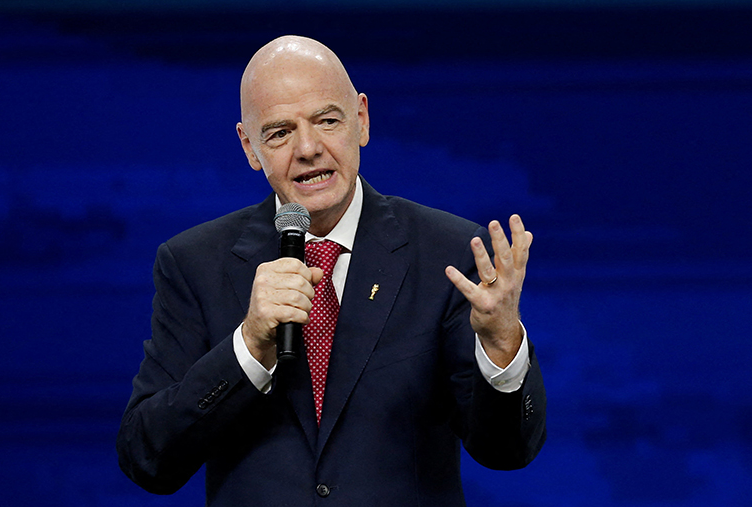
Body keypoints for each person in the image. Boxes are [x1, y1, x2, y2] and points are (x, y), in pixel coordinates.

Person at [117, 35, 546, 506]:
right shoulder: (194, 263)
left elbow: (506, 451)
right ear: (250, 147)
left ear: (361, 119)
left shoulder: (448, 253)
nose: (308, 148)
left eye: (327, 121)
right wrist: (248, 346)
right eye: (279, 133)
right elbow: (147, 458)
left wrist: (502, 345)